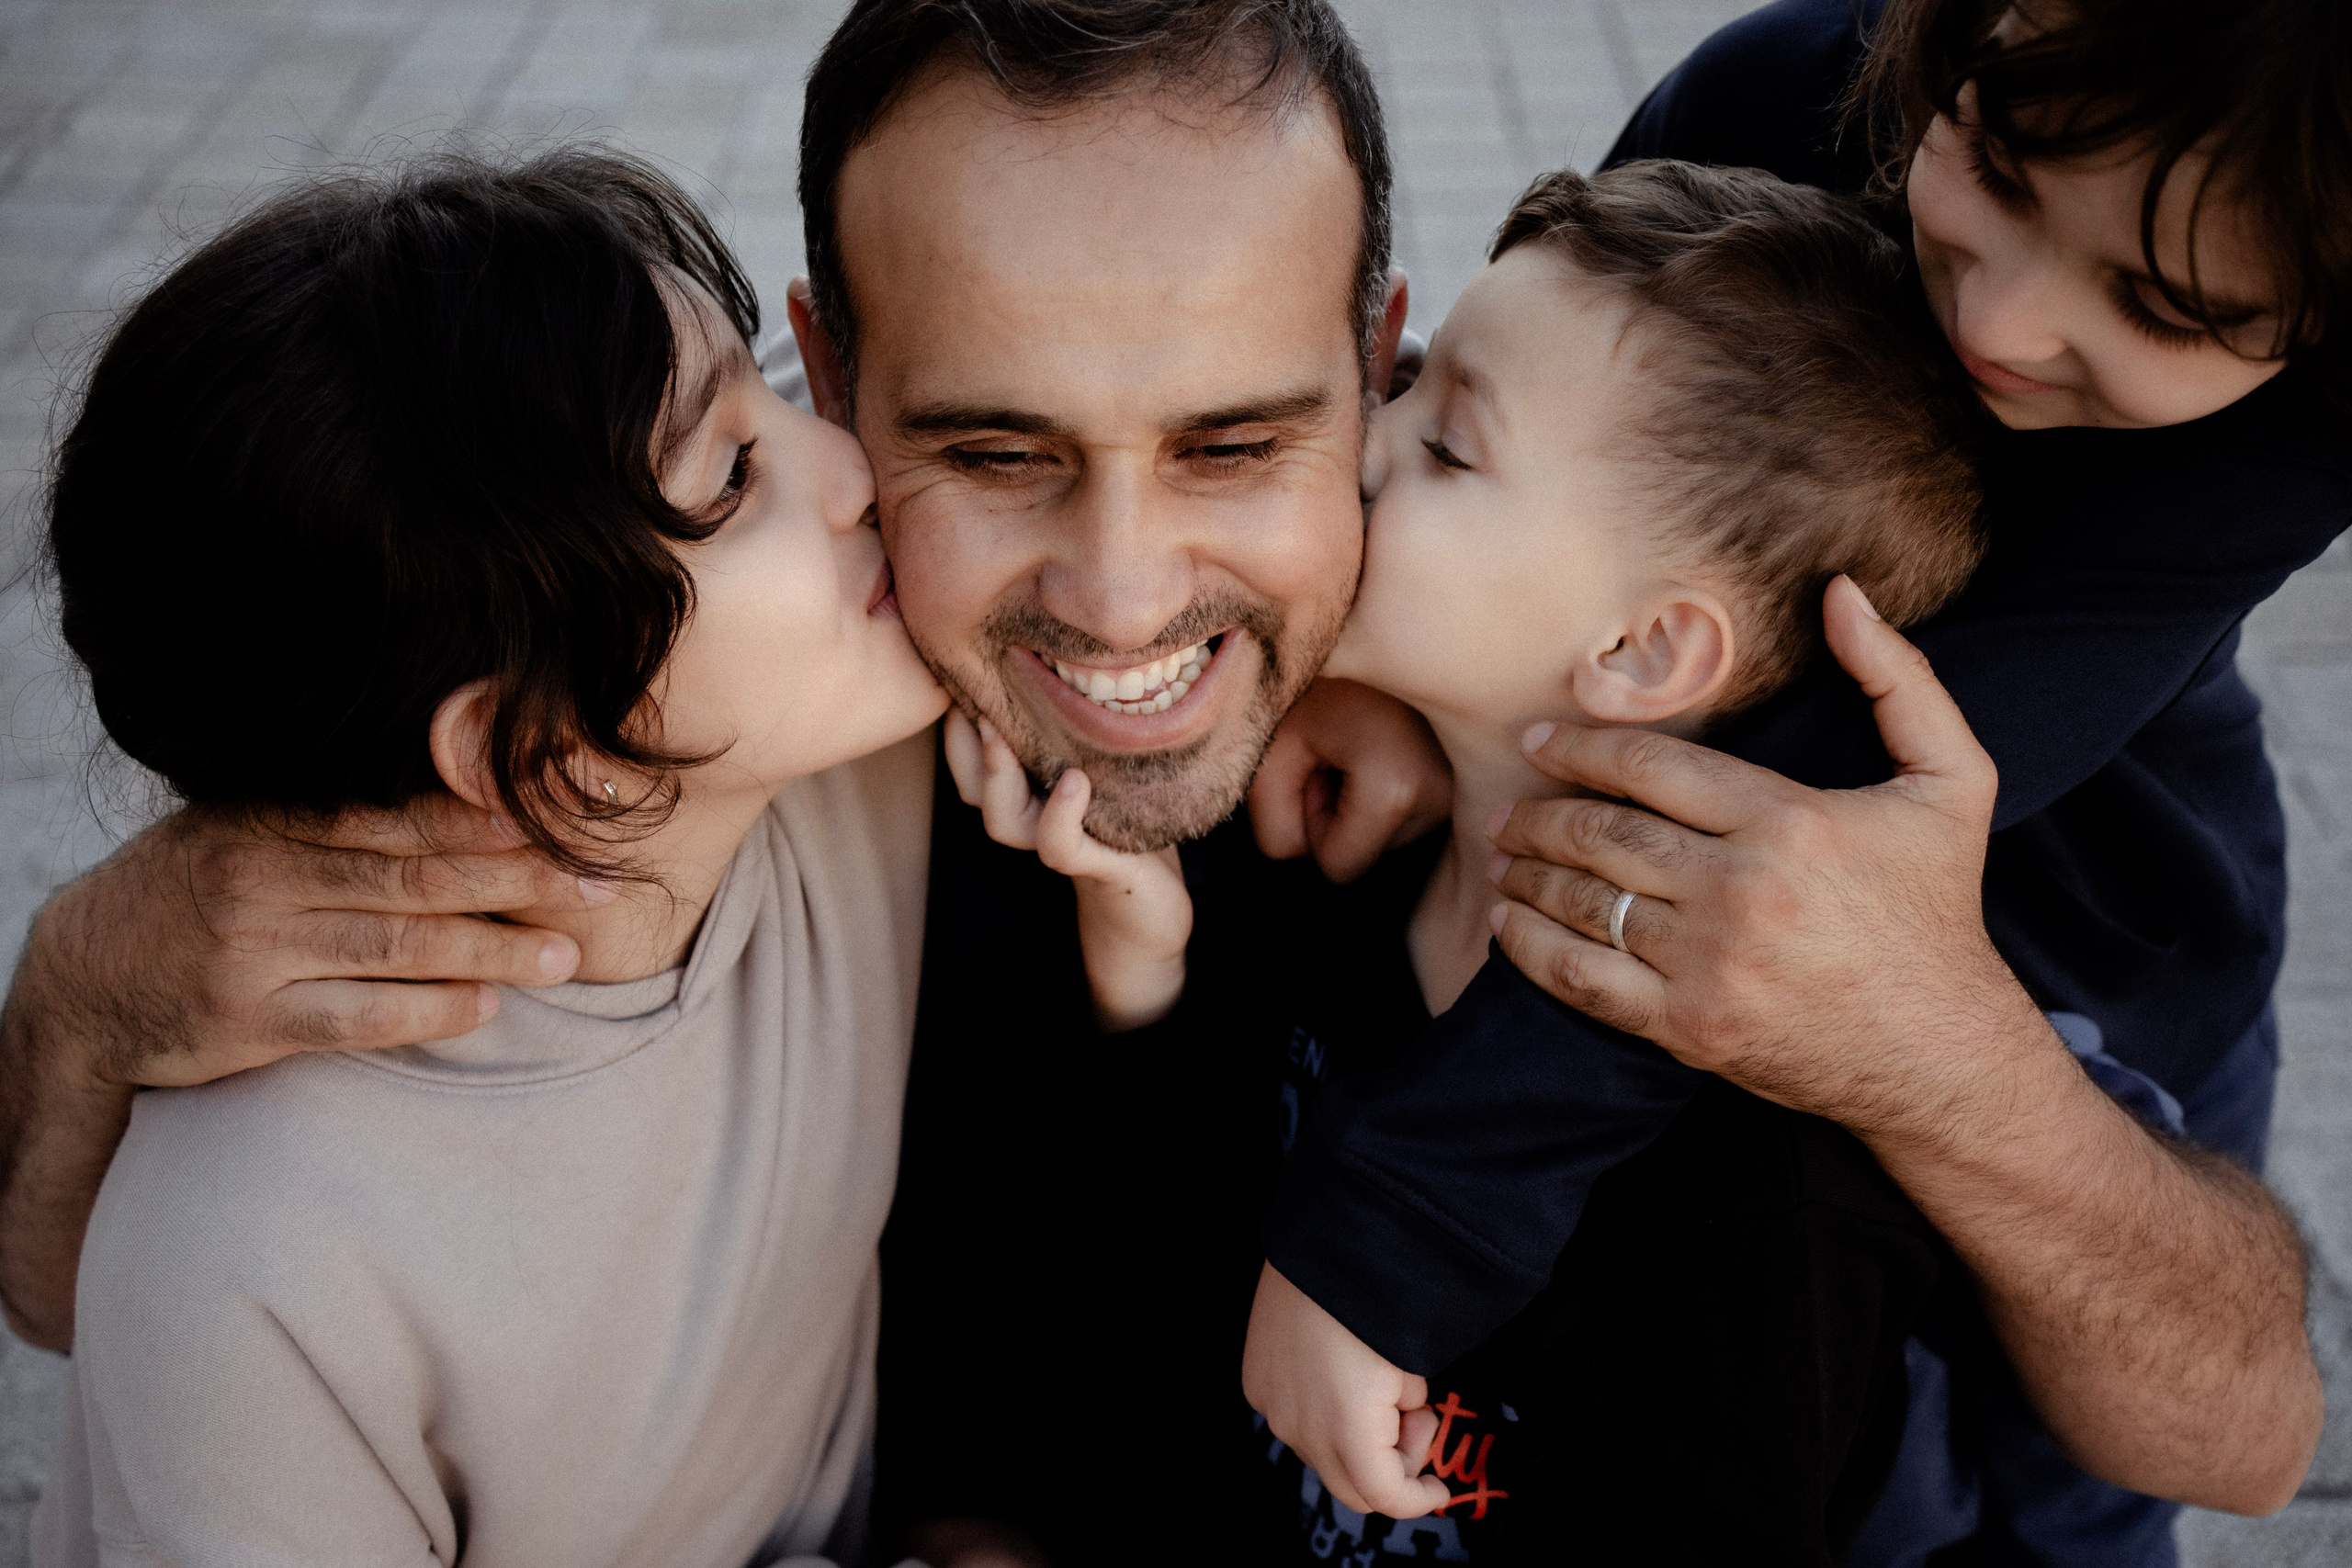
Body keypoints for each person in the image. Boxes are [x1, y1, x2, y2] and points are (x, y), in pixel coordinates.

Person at [0, 2, 2321, 1563]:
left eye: (1245, 444)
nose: (1119, 604)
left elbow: (2243, 1428)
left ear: (1375, 356)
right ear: (832, 380)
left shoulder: (1846, 834)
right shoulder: (813, 716)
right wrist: (93, 979)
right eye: (988, 448)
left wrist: (1946, 1066)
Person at [1255, 1, 2346, 1564]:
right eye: (2003, 165)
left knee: (2066, 1485)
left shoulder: (2296, 427)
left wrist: (1392, 1232)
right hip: (1689, 823)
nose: (2012, 325)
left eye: (2160, 305)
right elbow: (1557, 419)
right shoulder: (1782, 88)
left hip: (2084, 923)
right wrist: (1381, 679)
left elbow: (1792, 854)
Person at [963, 158, 1993, 1564]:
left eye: (1448, 445)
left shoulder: (1766, 1163)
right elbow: (1166, 1272)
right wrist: (1138, 962)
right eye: (1410, 385)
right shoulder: (1343, 852)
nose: (1361, 443)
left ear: (1642, 651)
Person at [27, 147, 950, 1567]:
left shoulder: (813, 744)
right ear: (542, 755)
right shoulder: (253, 1259)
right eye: (737, 468)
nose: (853, 462)